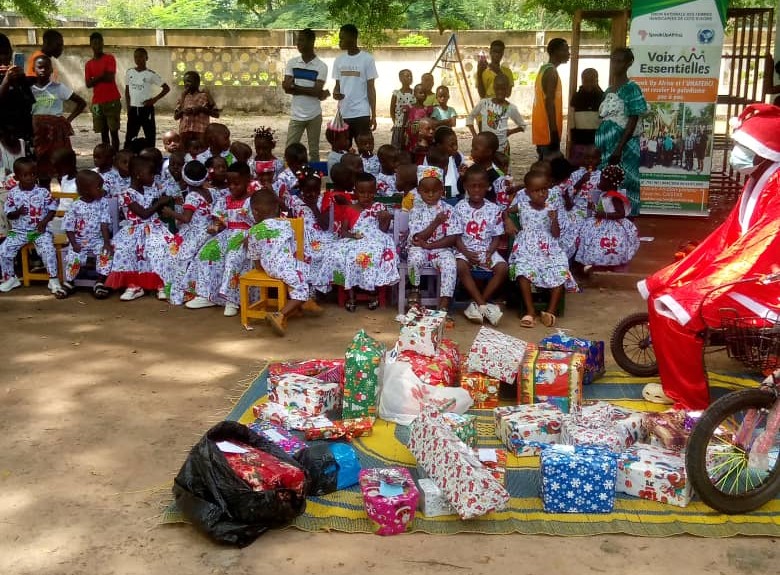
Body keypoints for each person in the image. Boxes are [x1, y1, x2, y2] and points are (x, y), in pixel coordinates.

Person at [638, 104, 780, 408]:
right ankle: (676, 387)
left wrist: (711, 279)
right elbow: (730, 237)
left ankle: (690, 401)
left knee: (675, 312)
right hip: (742, 271)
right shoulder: (760, 179)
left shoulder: (776, 186)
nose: (736, 152)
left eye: (743, 146)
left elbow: (762, 248)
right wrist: (696, 266)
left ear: (764, 151)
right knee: (660, 294)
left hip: (762, 283)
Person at [507, 169, 577, 328]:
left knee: (560, 269)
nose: (541, 193)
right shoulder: (522, 206)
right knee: (522, 271)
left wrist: (553, 220)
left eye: (544, 189)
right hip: (527, 248)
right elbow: (506, 211)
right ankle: (530, 311)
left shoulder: (551, 208)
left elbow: (556, 234)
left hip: (548, 248)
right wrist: (508, 221)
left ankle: (550, 312)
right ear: (527, 192)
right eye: (536, 191)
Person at [184, 162, 254, 316]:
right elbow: (220, 221)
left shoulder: (253, 200)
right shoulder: (225, 200)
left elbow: (259, 222)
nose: (232, 187)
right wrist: (216, 226)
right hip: (227, 234)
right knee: (207, 252)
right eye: (230, 184)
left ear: (247, 180)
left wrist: (251, 236)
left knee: (233, 258)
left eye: (237, 184)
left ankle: (232, 299)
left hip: (245, 236)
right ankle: (207, 294)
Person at [321, 172, 398, 311]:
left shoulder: (379, 207)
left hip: (374, 240)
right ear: (355, 192)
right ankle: (350, 294)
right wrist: (352, 236)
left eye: (370, 193)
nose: (366, 196)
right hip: (354, 240)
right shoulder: (350, 209)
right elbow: (343, 232)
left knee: (371, 255)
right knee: (343, 255)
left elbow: (383, 230)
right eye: (362, 192)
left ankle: (372, 292)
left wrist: (385, 219)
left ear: (375, 191)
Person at [105, 156, 175, 301]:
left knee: (160, 247)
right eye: (150, 174)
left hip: (154, 228)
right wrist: (159, 203)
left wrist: (166, 197)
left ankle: (160, 283)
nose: (153, 177)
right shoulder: (126, 194)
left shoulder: (153, 190)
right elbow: (143, 214)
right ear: (138, 174)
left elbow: (168, 193)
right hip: (134, 229)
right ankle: (134, 285)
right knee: (125, 249)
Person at [247, 188, 312, 335]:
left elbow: (255, 259)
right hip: (284, 265)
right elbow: (293, 248)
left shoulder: (254, 231)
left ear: (255, 211)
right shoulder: (286, 224)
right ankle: (280, 314)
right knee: (302, 283)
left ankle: (303, 304)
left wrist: (264, 267)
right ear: (276, 208)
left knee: (302, 271)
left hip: (268, 267)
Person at [0, 157, 66, 296]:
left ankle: (53, 279)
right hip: (18, 231)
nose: (30, 177)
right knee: (3, 249)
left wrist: (44, 222)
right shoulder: (13, 194)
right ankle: (11, 278)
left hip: (40, 231)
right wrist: (17, 212)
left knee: (48, 249)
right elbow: (9, 214)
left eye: (33, 174)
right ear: (17, 177)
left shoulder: (43, 192)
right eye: (25, 175)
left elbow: (52, 208)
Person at [595, 48, 647, 216]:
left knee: (627, 181)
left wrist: (619, 147)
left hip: (624, 146)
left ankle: (627, 220)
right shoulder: (609, 89)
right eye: (613, 60)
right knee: (607, 181)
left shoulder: (632, 88)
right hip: (607, 145)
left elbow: (633, 119)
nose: (615, 64)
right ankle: (609, 220)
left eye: (619, 61)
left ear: (628, 63)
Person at [455, 165, 507, 326]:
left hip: (487, 249)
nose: (477, 190)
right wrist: (467, 253)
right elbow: (455, 237)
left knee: (502, 268)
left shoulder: (493, 209)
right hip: (465, 249)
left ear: (487, 187)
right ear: (466, 187)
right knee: (460, 265)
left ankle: (478, 304)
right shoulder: (459, 208)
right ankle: (484, 305)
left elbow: (496, 237)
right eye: (473, 186)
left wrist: (489, 253)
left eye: (481, 186)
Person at [407, 165, 462, 314]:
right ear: (419, 191)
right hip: (419, 247)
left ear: (442, 190)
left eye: (435, 191)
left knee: (450, 263)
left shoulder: (449, 210)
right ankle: (415, 290)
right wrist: (436, 223)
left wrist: (430, 246)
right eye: (426, 191)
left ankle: (444, 304)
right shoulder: (415, 211)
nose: (430, 195)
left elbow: (452, 238)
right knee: (414, 257)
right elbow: (417, 238)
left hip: (441, 248)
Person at [30, 55, 86, 186]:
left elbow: (81, 103)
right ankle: (45, 196)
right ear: (34, 69)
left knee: (61, 165)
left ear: (51, 70)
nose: (43, 70)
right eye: (40, 67)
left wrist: (68, 120)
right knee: (42, 166)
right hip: (38, 133)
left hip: (57, 133)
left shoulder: (59, 88)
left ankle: (65, 195)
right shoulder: (29, 89)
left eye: (46, 67)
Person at [166, 160, 215, 306]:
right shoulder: (209, 192)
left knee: (180, 257)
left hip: (196, 233)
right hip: (209, 230)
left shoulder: (192, 196)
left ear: (185, 178)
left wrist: (171, 213)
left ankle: (182, 291)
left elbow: (186, 218)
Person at [282, 167, 336, 297]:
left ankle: (317, 288)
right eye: (308, 191)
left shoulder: (323, 200)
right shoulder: (294, 201)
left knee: (325, 253)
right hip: (300, 235)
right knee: (296, 254)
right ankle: (302, 288)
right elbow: (289, 220)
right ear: (301, 189)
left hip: (320, 236)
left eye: (315, 191)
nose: (312, 194)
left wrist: (313, 207)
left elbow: (324, 225)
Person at [576, 164, 639, 271]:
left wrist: (603, 215)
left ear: (610, 184)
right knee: (589, 237)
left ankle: (608, 263)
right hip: (600, 221)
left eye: (602, 181)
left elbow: (621, 213)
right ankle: (596, 262)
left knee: (603, 242)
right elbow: (604, 207)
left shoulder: (614, 197)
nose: (599, 183)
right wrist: (594, 207)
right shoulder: (605, 193)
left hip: (612, 226)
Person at [61, 170, 113, 298]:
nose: (102, 190)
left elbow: (104, 224)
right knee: (74, 256)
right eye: (98, 188)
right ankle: (70, 282)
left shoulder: (102, 203)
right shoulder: (75, 206)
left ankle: (100, 282)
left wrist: (106, 243)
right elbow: (69, 227)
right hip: (79, 240)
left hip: (97, 239)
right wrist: (74, 244)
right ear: (85, 191)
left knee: (106, 254)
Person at [283, 28, 329, 163]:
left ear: (311, 42)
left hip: (314, 115)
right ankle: (288, 177)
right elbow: (286, 88)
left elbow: (315, 91)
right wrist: (316, 92)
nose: (298, 43)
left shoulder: (321, 66)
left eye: (301, 40)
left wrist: (295, 87)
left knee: (314, 151)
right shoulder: (292, 62)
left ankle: (314, 179)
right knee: (289, 148)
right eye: (298, 40)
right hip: (296, 114)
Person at [332, 24, 378, 143]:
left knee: (365, 148)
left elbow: (371, 88)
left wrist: (373, 115)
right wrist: (336, 93)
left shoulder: (367, 59)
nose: (340, 41)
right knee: (344, 149)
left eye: (342, 38)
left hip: (361, 113)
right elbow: (337, 86)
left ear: (352, 38)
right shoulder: (339, 60)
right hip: (344, 113)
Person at [466, 74, 525, 155]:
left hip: (502, 150)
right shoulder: (484, 103)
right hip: (485, 148)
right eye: (497, 89)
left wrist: (510, 132)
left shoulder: (511, 108)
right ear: (494, 88)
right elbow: (470, 117)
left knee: (500, 168)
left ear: (508, 89)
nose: (500, 92)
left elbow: (523, 126)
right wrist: (475, 136)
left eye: (503, 89)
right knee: (486, 167)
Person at [532, 38, 570, 160]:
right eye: (565, 50)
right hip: (548, 131)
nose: (568, 53)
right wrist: (554, 132)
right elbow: (549, 103)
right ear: (555, 52)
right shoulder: (551, 72)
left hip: (542, 130)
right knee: (549, 168)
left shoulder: (544, 69)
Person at [124, 47, 169, 149]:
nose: (138, 59)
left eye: (141, 56)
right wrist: (128, 107)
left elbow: (166, 88)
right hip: (133, 109)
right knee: (130, 135)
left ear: (146, 58)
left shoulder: (150, 74)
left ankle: (151, 155)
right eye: (136, 57)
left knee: (150, 134)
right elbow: (127, 91)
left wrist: (154, 100)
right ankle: (128, 155)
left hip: (146, 109)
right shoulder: (129, 72)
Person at [84, 32, 122, 152]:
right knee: (103, 132)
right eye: (94, 43)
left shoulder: (109, 58)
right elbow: (88, 84)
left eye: (99, 42)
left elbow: (110, 78)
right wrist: (102, 76)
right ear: (91, 45)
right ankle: (107, 156)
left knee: (114, 131)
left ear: (103, 43)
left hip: (112, 100)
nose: (97, 45)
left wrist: (95, 79)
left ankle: (115, 156)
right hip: (97, 102)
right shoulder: (88, 64)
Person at [0, 33, 34, 151]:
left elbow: (30, 102)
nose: (4, 58)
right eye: (0, 54)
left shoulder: (17, 76)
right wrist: (6, 82)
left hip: (21, 135)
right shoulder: (7, 77)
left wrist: (17, 82)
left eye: (6, 53)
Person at [569, 68, 604, 166]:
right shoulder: (576, 97)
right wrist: (572, 140)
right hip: (579, 140)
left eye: (592, 81)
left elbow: (605, 121)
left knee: (595, 165)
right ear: (582, 80)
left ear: (597, 80)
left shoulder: (602, 97)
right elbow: (571, 121)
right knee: (579, 165)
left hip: (596, 141)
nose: (589, 84)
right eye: (586, 81)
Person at [174, 71, 218, 145]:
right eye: (184, 82)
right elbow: (176, 116)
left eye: (189, 81)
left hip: (201, 131)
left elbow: (216, 114)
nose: (186, 84)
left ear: (197, 82)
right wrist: (183, 111)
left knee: (201, 150)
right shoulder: (183, 97)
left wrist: (201, 109)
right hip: (185, 131)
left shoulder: (205, 96)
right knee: (184, 152)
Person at [404, 83, 433, 153]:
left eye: (425, 93)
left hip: (422, 136)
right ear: (414, 94)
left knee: (421, 152)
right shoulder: (409, 108)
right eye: (420, 93)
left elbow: (429, 123)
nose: (423, 95)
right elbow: (405, 123)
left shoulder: (427, 109)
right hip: (411, 136)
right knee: (410, 152)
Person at [390, 69, 414, 149]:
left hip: (411, 125)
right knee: (397, 147)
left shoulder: (415, 93)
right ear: (400, 79)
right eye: (407, 76)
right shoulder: (396, 93)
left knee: (409, 147)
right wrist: (395, 122)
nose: (410, 78)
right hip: (399, 125)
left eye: (411, 76)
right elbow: (392, 109)